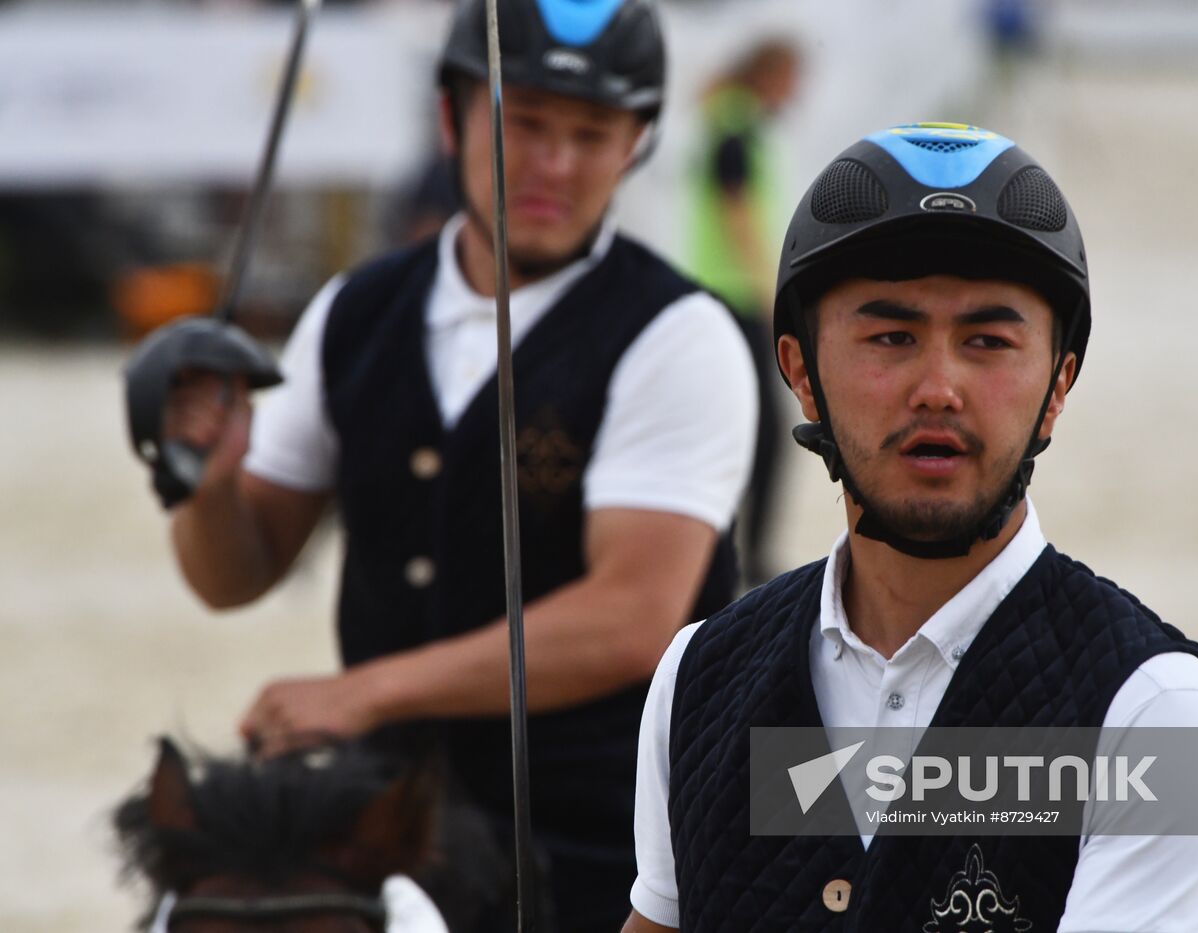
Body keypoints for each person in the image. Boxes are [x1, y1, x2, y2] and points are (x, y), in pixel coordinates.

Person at [159, 1, 757, 930]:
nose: (556, 165)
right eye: (525, 124)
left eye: (592, 133)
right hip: (398, 838)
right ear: (451, 120)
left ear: (637, 144)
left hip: (621, 848)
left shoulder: (680, 336)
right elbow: (233, 574)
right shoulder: (353, 311)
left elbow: (633, 618)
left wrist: (364, 692)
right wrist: (206, 482)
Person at [623, 123, 1198, 932]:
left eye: (988, 341)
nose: (938, 387)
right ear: (801, 372)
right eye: (891, 336)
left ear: (1058, 384)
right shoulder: (697, 677)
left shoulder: (1163, 719)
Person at [684, 39, 800, 584]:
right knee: (763, 433)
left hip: (727, 293)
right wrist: (770, 285)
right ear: (769, 73)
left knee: (747, 429)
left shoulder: (731, 123)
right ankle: (742, 556)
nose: (796, 93)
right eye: (792, 78)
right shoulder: (735, 129)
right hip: (735, 296)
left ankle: (736, 552)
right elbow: (738, 217)